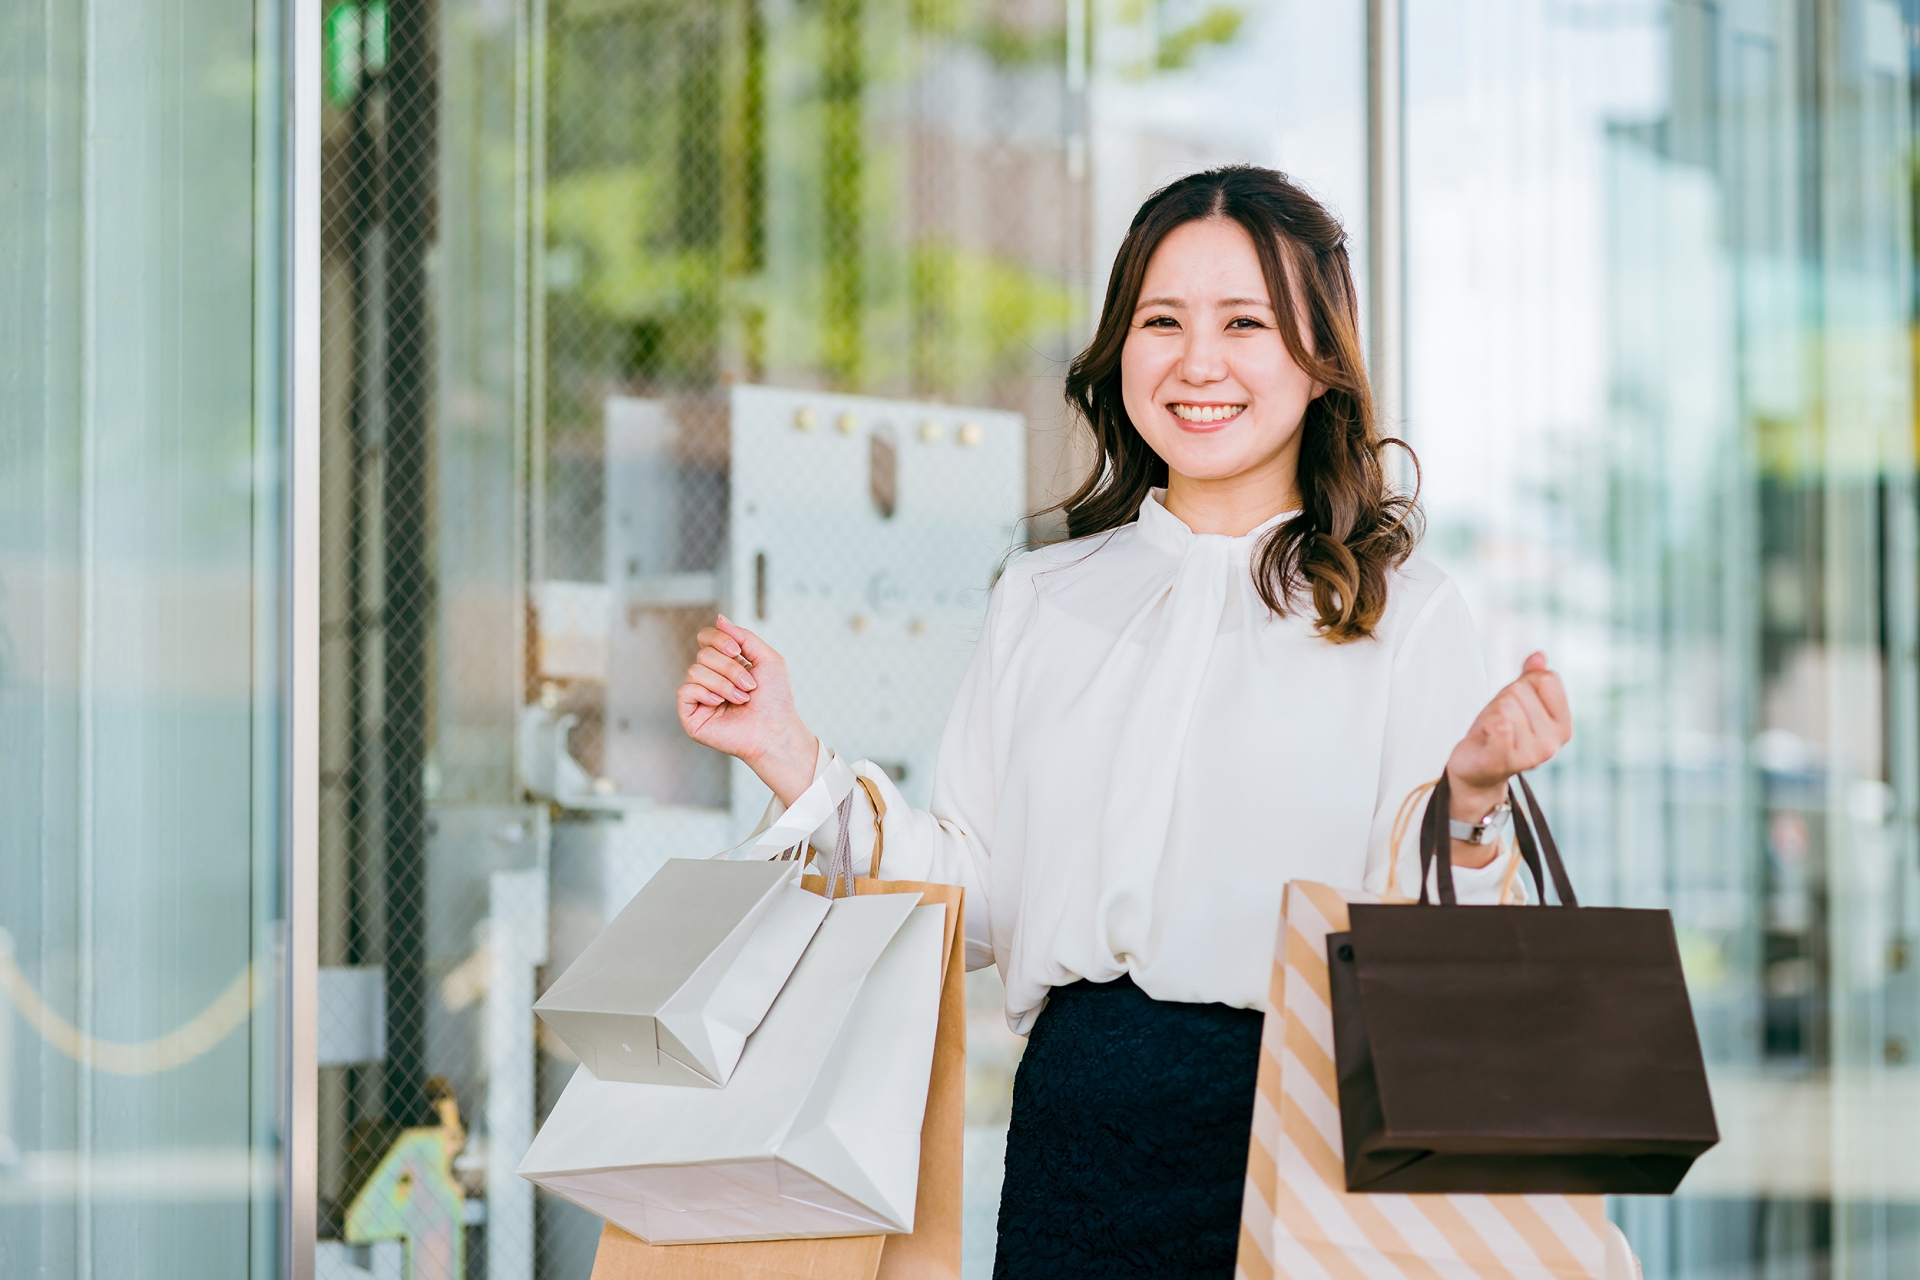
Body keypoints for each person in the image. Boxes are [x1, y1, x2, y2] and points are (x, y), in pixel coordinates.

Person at [676, 165, 1572, 1278]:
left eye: (1246, 322)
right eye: (1163, 321)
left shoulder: (1401, 611)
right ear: (1119, 350)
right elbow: (979, 899)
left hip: (1305, 1134)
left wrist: (1474, 796)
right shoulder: (1045, 595)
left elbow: (1442, 954)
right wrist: (790, 755)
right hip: (1076, 1136)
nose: (1199, 362)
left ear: (1321, 361)